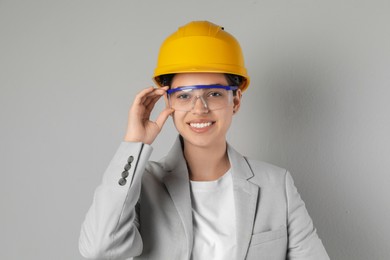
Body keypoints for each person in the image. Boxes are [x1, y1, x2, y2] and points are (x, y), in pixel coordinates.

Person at [79, 21, 330, 260]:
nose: (199, 109)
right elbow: (100, 248)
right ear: (168, 104)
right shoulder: (143, 185)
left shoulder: (277, 185)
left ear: (236, 101)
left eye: (214, 93)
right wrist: (134, 143)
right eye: (184, 96)